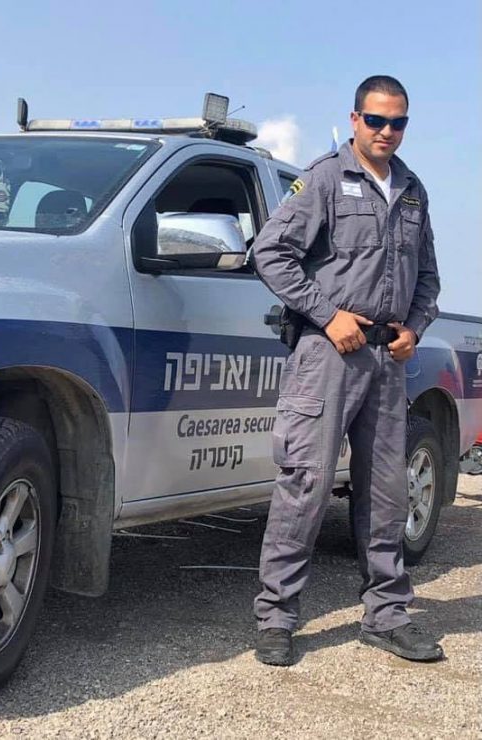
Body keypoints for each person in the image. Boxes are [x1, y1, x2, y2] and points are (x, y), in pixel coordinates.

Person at [250, 75, 442, 666]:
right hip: (328, 355)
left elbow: (428, 278)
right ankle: (276, 616)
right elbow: (270, 252)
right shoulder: (325, 179)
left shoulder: (412, 191)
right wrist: (328, 315)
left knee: (386, 490)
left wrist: (415, 328)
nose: (387, 131)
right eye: (376, 120)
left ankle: (387, 615)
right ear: (355, 119)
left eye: (398, 122)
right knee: (305, 484)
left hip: (387, 361)